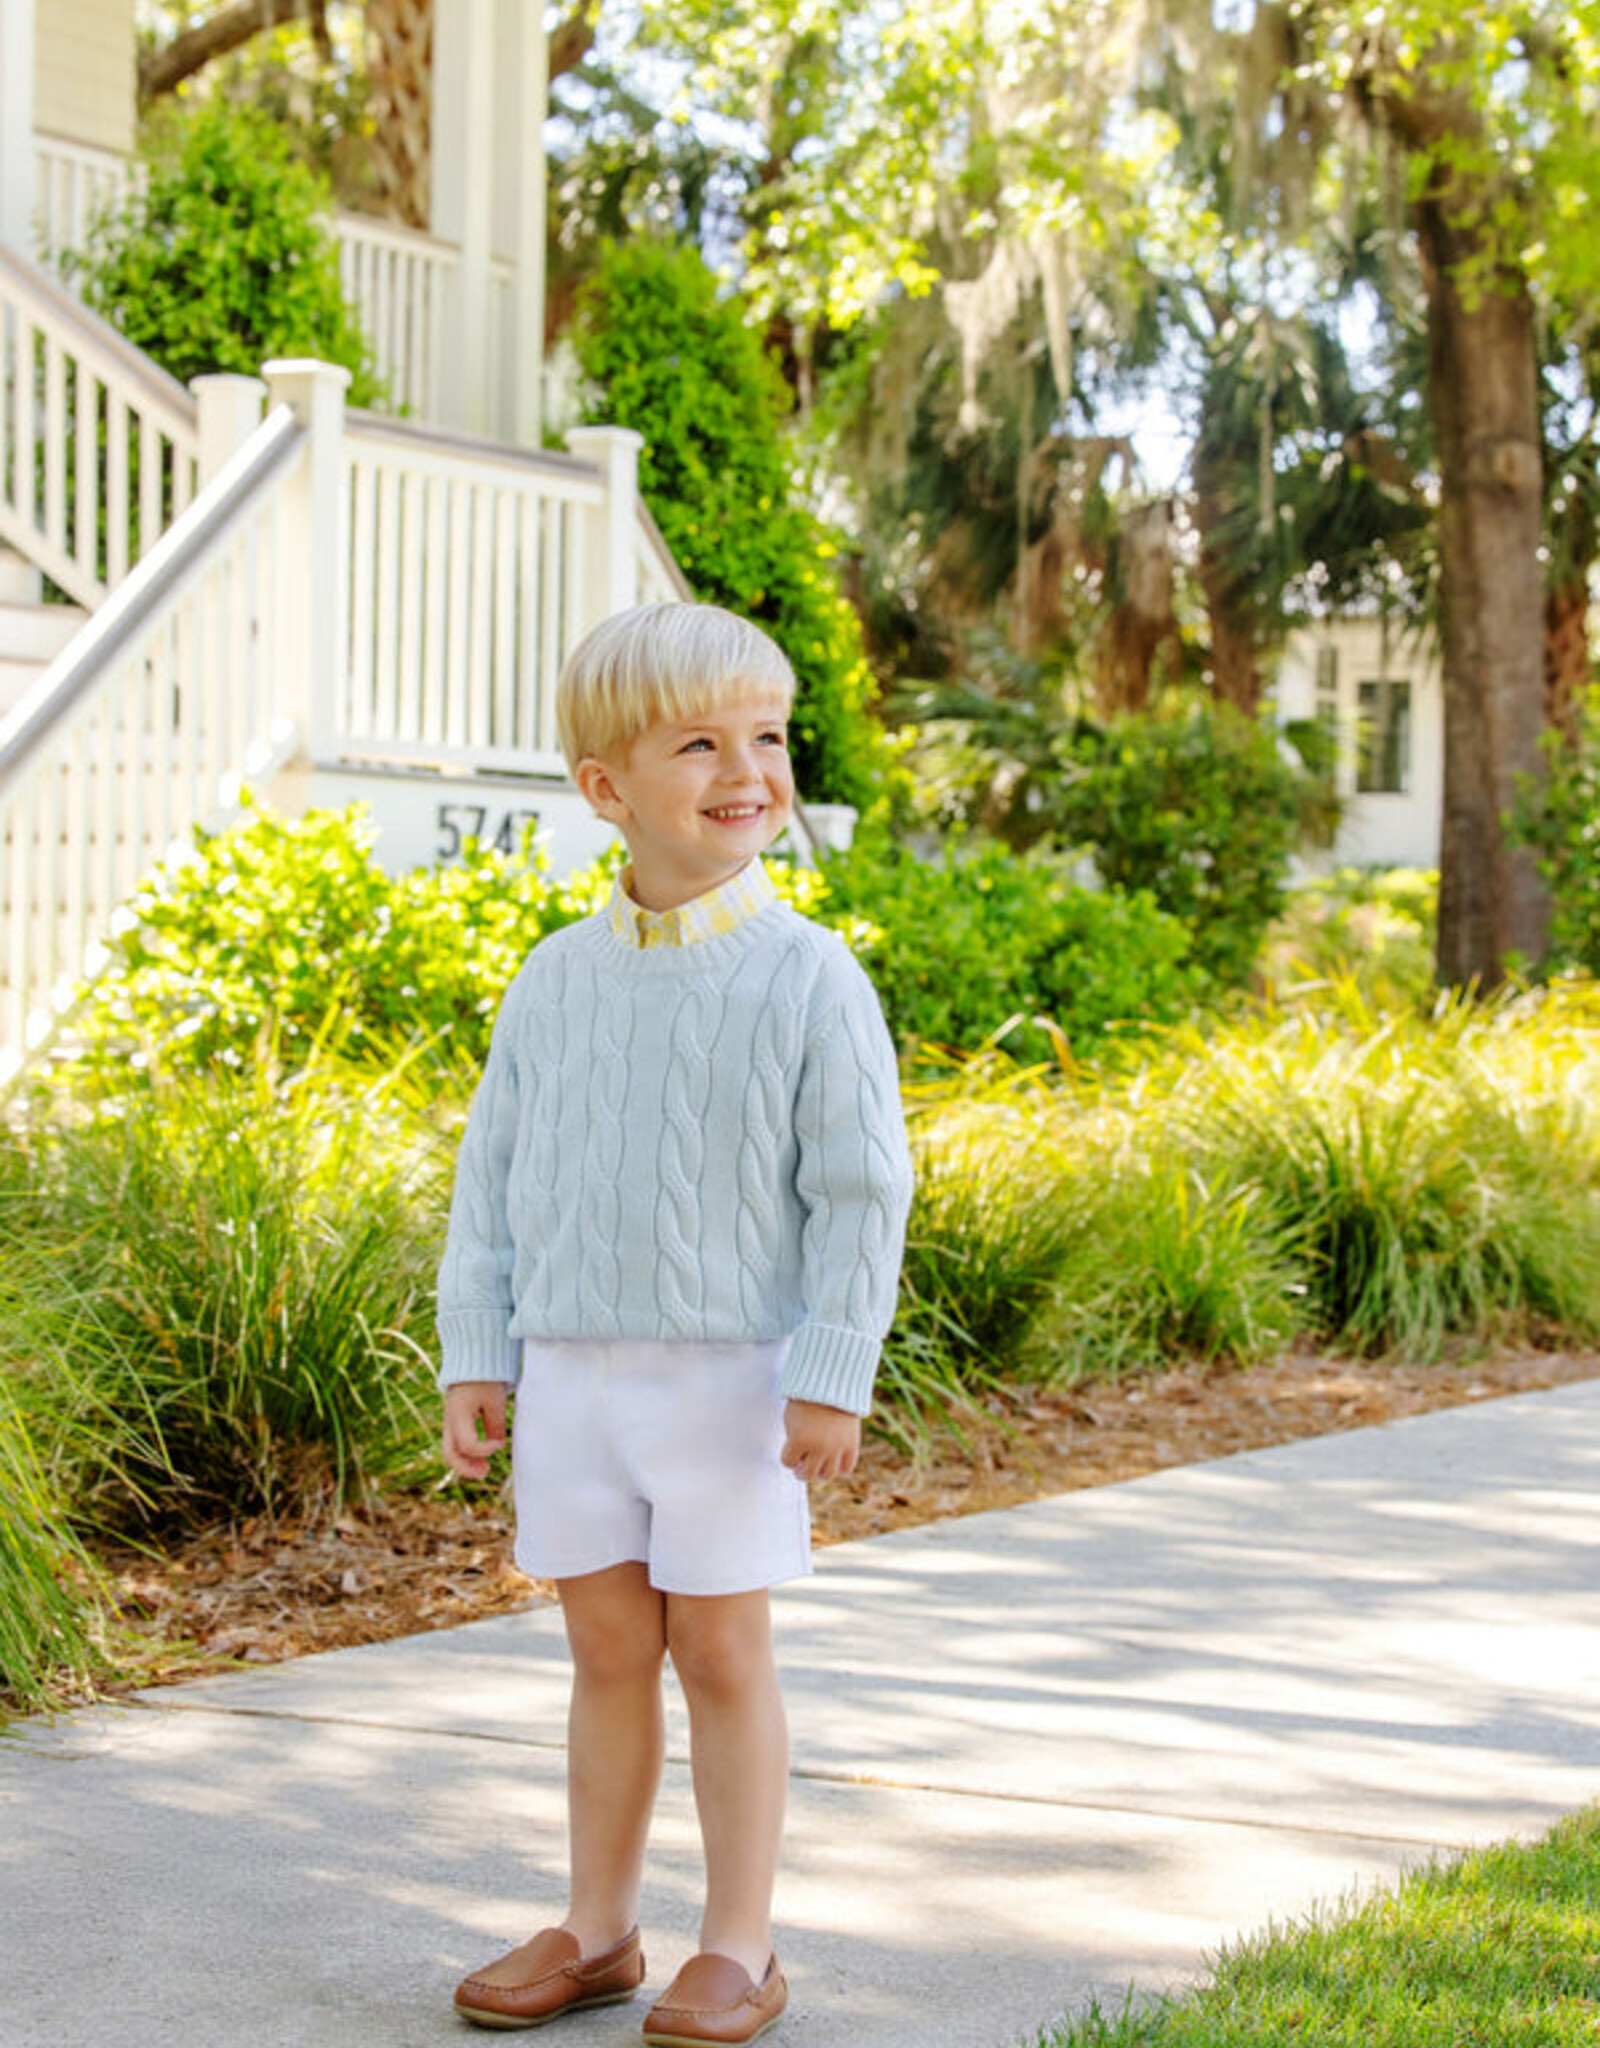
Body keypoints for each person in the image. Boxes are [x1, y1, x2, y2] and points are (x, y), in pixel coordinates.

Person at [436, 601, 914, 2046]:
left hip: (730, 1386)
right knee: (601, 1652)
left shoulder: (808, 976)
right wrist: (479, 1349)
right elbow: (493, 1177)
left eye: (765, 737)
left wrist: (830, 1380)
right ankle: (595, 1927)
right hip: (577, 1378)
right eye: (699, 742)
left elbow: (861, 1189)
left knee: (720, 1654)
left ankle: (740, 1942)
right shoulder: (554, 980)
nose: (746, 770)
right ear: (606, 790)